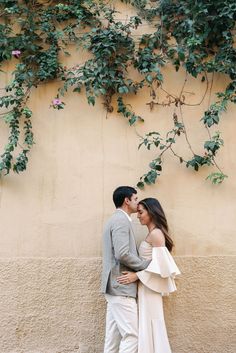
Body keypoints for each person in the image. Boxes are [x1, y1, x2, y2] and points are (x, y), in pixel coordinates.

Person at [117, 198, 181, 353]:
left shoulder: (156, 234)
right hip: (146, 286)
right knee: (146, 323)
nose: (138, 216)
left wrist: (136, 276)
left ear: (151, 212)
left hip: (150, 288)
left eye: (141, 212)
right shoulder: (152, 233)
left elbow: (161, 265)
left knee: (151, 321)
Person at [101, 186, 150, 353]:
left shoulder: (115, 219)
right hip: (121, 286)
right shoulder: (121, 220)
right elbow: (122, 253)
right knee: (132, 336)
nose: (138, 203)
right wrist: (144, 266)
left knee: (112, 339)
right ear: (126, 201)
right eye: (135, 199)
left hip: (114, 287)